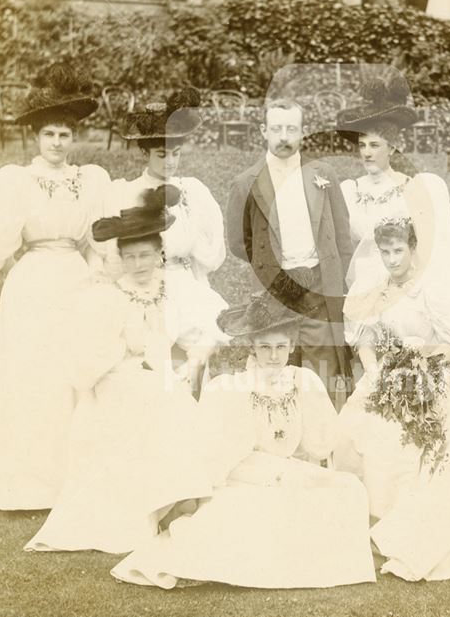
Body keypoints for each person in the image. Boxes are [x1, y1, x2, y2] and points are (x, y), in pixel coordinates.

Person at [110, 282, 375, 590]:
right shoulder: (232, 387)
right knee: (254, 513)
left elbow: (321, 444)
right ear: (252, 347)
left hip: (292, 471)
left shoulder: (304, 380)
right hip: (247, 478)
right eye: (265, 348)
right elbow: (221, 459)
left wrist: (306, 465)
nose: (274, 356)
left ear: (291, 346)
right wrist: (273, 474)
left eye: (280, 347)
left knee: (348, 489)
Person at [0, 64, 111, 510]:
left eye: (64, 134)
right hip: (34, 280)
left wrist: (100, 277)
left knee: (72, 375)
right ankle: (21, 480)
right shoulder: (15, 181)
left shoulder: (90, 179)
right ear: (36, 138)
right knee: (30, 374)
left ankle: (69, 478)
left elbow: (99, 237)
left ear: (73, 137)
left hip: (76, 279)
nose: (58, 144)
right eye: (49, 135)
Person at [334, 218, 450, 579]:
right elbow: (366, 341)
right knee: (359, 426)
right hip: (387, 376)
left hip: (432, 375)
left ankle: (407, 524)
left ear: (412, 250)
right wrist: (377, 374)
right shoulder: (375, 291)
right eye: (386, 252)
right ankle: (369, 517)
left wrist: (421, 368)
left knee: (426, 434)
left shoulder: (431, 290)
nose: (392, 260)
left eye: (398, 251)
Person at [25, 186, 213, 554]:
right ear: (120, 260)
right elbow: (87, 365)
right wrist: (128, 350)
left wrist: (191, 364)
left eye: (146, 255)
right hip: (116, 380)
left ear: (161, 255)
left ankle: (177, 496)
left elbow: (201, 335)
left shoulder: (174, 291)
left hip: (161, 378)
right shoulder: (108, 297)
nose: (139, 265)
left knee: (173, 398)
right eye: (130, 258)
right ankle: (162, 502)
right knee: (157, 399)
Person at [225, 99, 354, 408]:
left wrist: (333, 279)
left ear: (303, 132)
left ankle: (322, 442)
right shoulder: (246, 183)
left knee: (324, 369)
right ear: (264, 131)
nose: (284, 137)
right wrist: (269, 264)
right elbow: (238, 242)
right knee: (278, 366)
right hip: (275, 289)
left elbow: (341, 234)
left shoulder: (322, 175)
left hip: (319, 287)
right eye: (277, 129)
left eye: (291, 129)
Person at [108, 90, 228, 394]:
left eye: (176, 154)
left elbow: (213, 250)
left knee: (197, 353)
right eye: (162, 155)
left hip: (184, 280)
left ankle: (192, 415)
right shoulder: (129, 192)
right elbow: (118, 251)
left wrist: (187, 249)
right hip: (147, 283)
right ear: (147, 153)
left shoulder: (191, 191)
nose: (170, 162)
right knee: (153, 363)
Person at [337, 76, 450, 294]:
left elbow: (430, 245)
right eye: (362, 145)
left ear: (392, 149)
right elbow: (341, 245)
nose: (367, 153)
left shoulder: (411, 188)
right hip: (363, 281)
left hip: (404, 282)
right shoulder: (350, 191)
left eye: (375, 145)